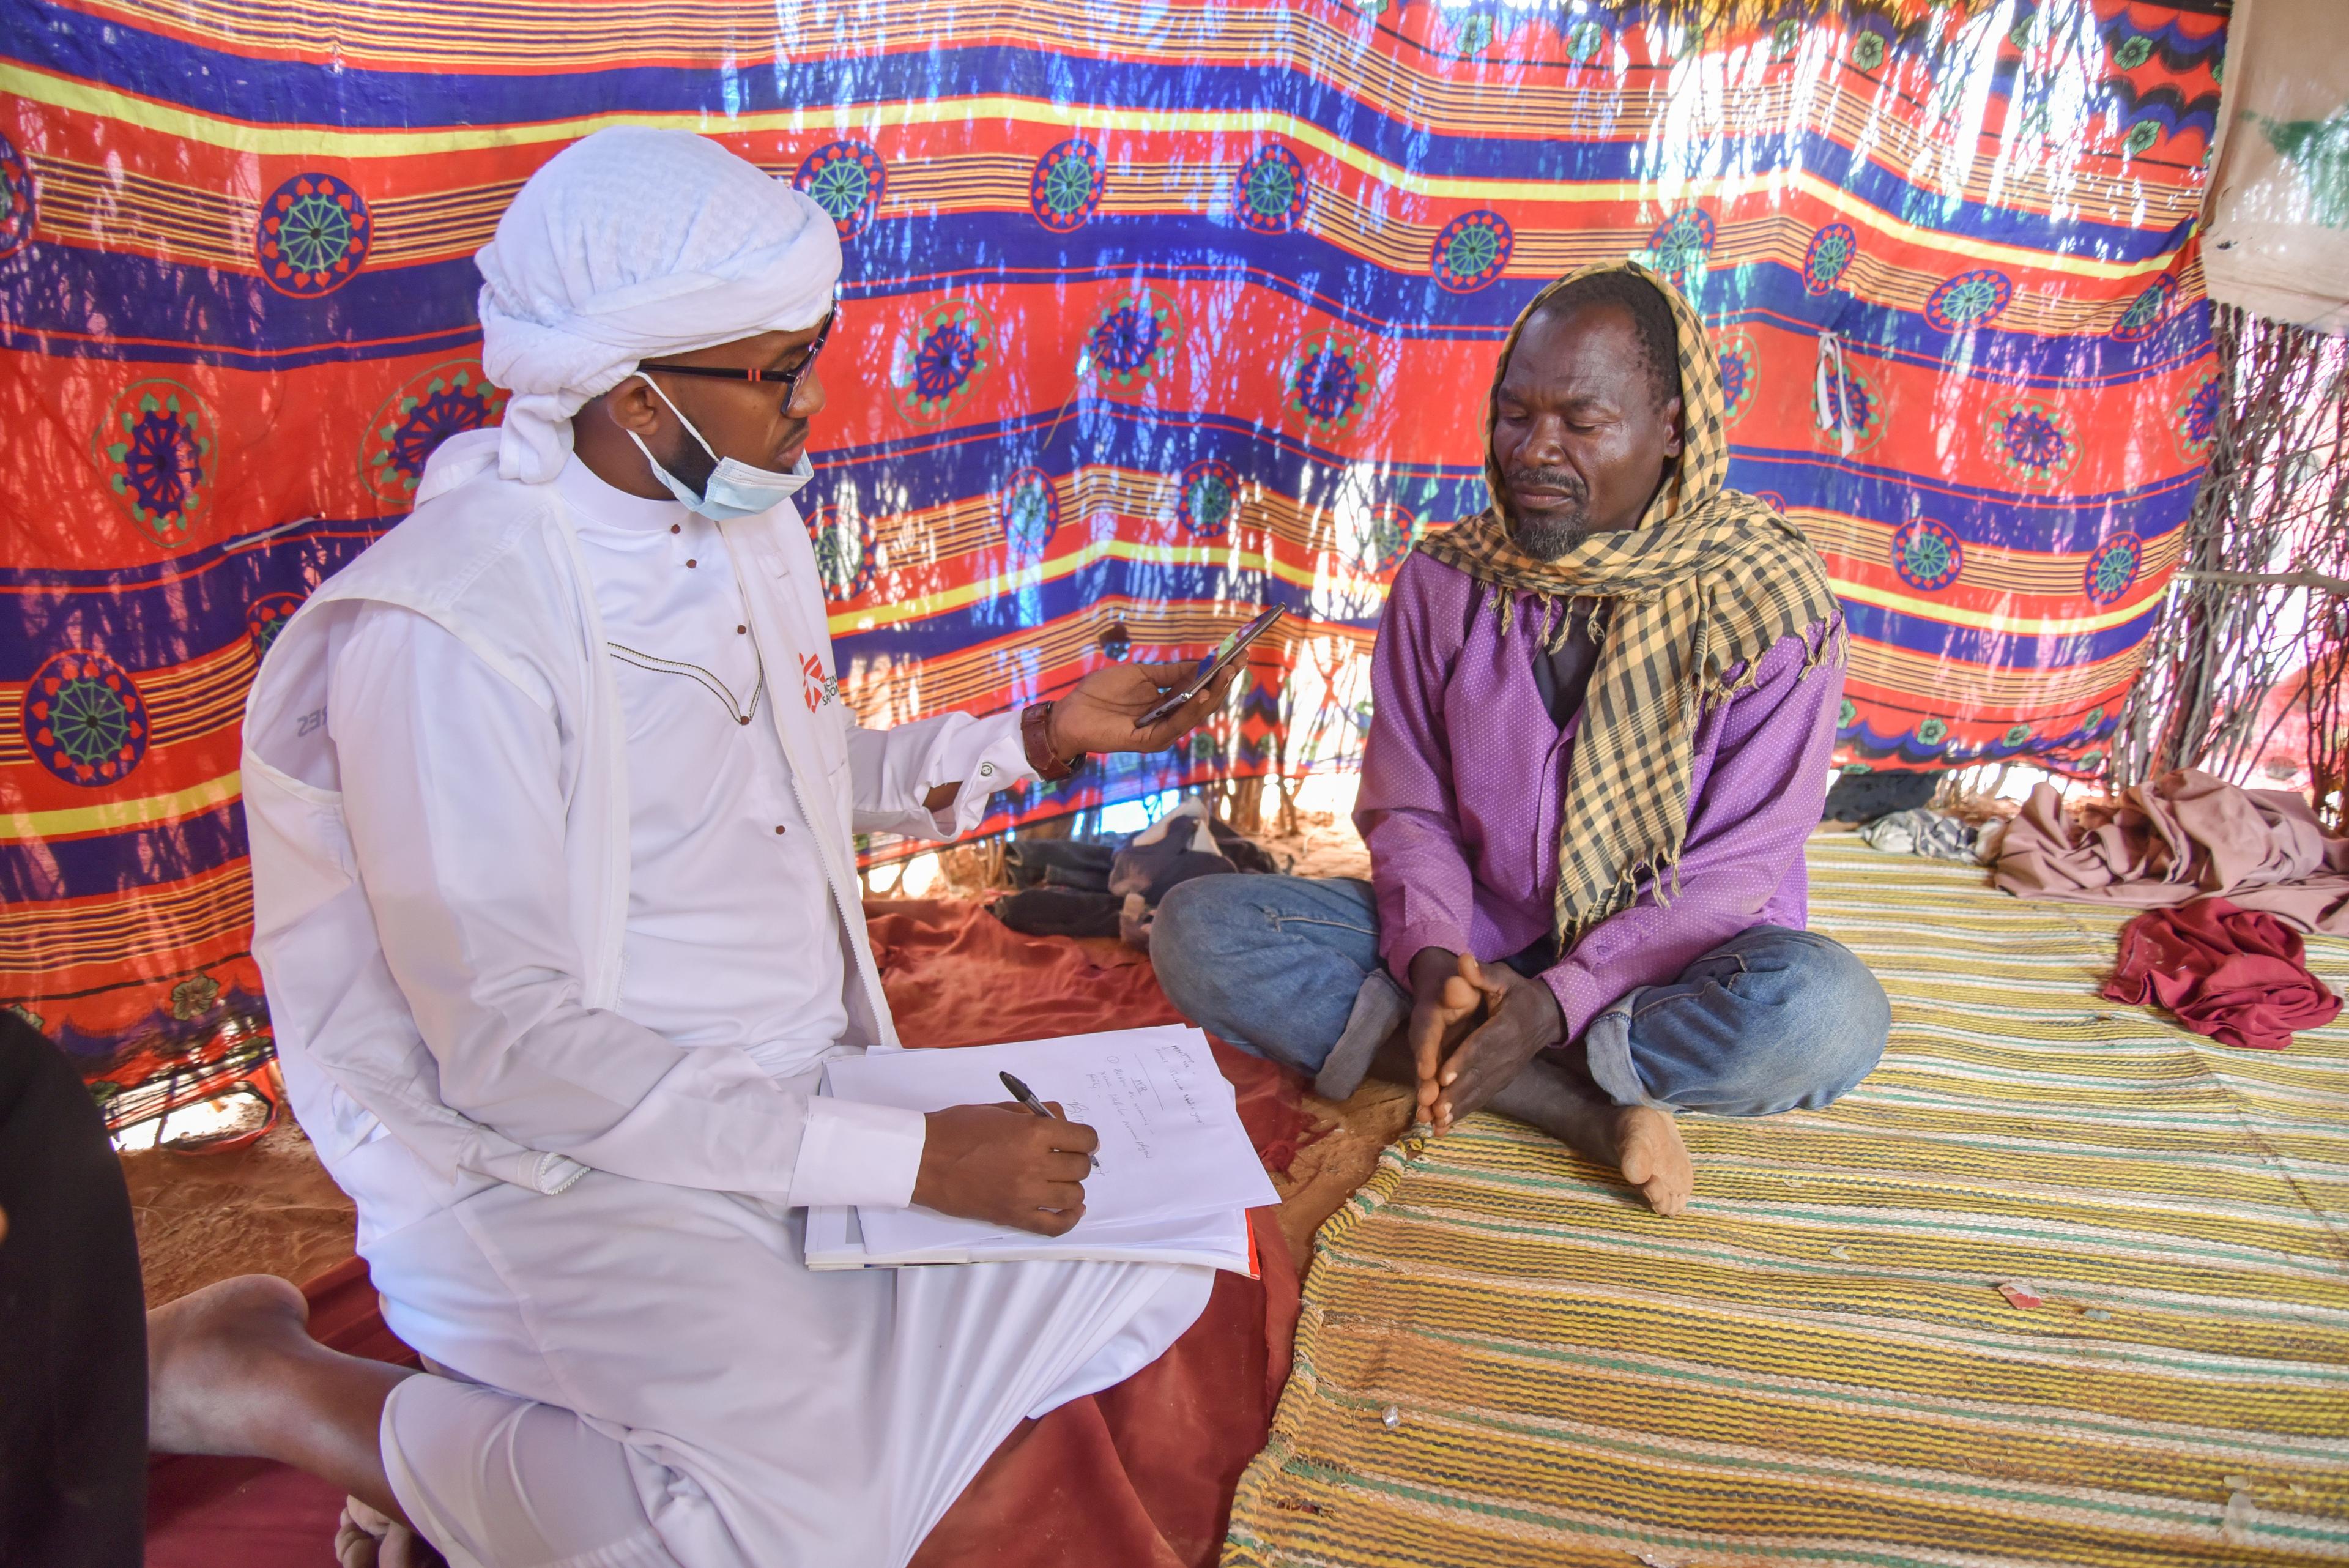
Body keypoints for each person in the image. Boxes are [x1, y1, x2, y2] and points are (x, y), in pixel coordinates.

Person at [144, 127, 1238, 1568]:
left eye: (811, 355)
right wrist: (904, 1161)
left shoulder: (741, 529)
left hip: (792, 1090)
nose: (812, 406)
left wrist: (1031, 741)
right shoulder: (447, 631)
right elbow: (514, 1049)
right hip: (557, 1159)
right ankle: (270, 1384)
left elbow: (780, 772)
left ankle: (545, 1447)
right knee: (811, 1527)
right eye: (779, 370)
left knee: (1161, 1252)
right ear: (631, 385)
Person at [1151, 261, 1890, 1216]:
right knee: (1201, 933)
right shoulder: (1446, 583)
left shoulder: (1771, 610)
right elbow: (1411, 807)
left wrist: (1551, 1002)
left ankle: (1496, 1053)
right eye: (1514, 414)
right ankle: (1582, 1110)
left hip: (1664, 969)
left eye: (1582, 423)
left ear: (1672, 431)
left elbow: (1729, 880)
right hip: (1476, 940)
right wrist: (1432, 965)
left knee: (1828, 1017)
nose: (1534, 450)